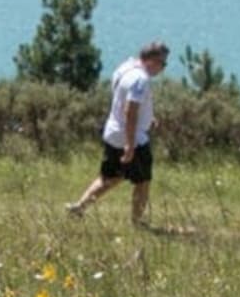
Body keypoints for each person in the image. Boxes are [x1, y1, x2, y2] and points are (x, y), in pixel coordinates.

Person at [67, 41, 169, 225]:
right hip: (133, 137)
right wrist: (130, 144)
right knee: (143, 181)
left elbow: (121, 97)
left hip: (113, 132)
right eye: (163, 63)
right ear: (152, 61)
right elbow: (130, 111)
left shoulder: (126, 68)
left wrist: (148, 118)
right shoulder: (141, 79)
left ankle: (79, 207)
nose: (163, 68)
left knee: (110, 177)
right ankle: (138, 223)